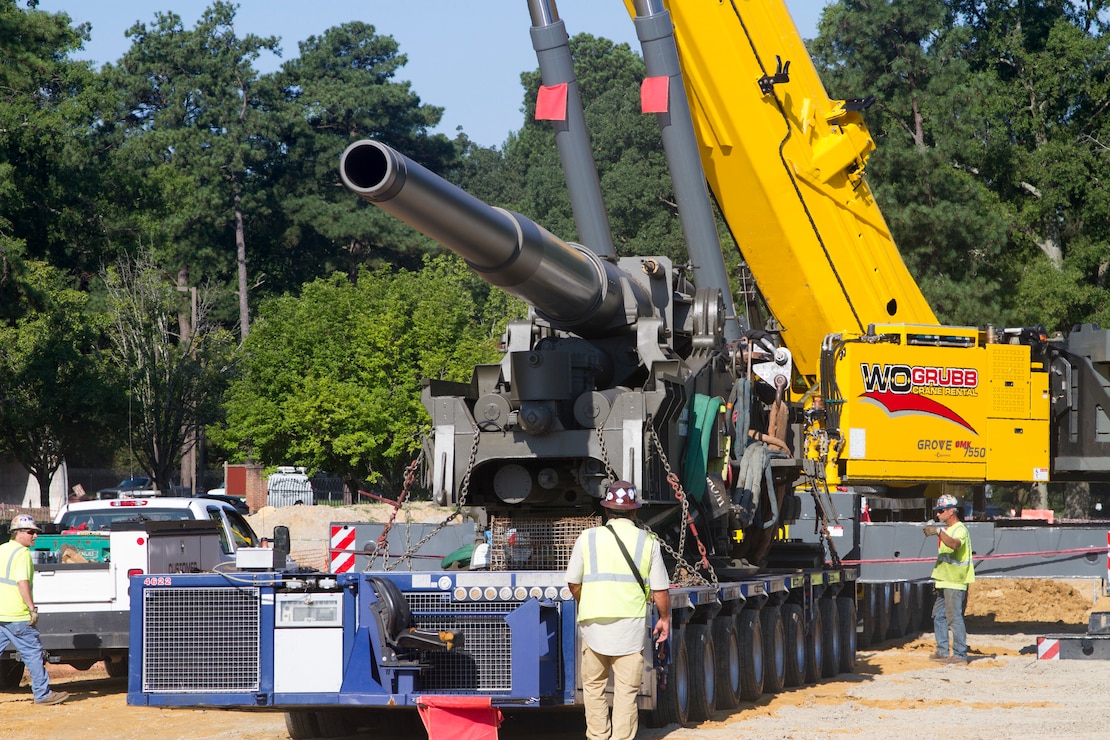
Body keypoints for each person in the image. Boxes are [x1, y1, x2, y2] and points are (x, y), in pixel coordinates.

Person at [565, 481, 670, 740]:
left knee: (593, 688)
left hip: (593, 628)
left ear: (606, 511)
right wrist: (665, 619)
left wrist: (587, 602)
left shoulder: (587, 538)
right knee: (625, 692)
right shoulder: (648, 542)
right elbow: (660, 591)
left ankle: (598, 737)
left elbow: (572, 582)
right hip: (630, 629)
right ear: (634, 512)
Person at [0, 515, 69, 705]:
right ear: (18, 533)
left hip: (1, 614)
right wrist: (32, 608)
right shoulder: (22, 553)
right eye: (30, 532)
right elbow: (22, 583)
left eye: (35, 532)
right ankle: (43, 694)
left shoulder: (2, 549)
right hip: (17, 614)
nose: (35, 536)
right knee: (33, 654)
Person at [924, 494, 975, 665]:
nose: (938, 514)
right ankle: (943, 651)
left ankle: (960, 655)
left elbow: (954, 545)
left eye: (941, 510)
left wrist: (939, 532)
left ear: (952, 511)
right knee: (939, 616)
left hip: (955, 582)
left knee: (954, 618)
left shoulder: (960, 529)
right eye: (937, 511)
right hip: (944, 581)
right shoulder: (949, 530)